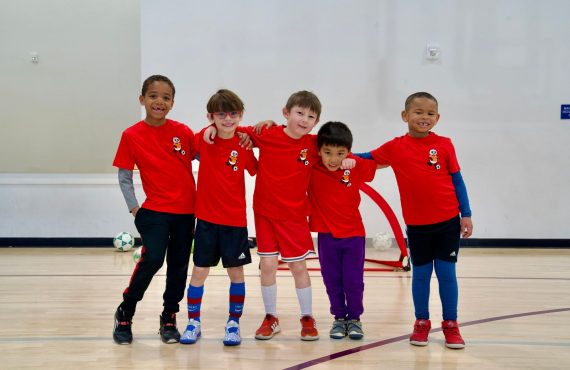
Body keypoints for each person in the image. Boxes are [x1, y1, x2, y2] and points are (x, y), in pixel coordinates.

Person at [355, 92, 473, 349]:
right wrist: (338, 153)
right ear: (405, 116)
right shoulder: (395, 147)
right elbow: (366, 158)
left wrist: (466, 213)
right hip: (418, 226)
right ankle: (422, 322)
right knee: (420, 274)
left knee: (446, 274)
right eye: (418, 112)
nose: (424, 117)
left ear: (437, 118)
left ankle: (451, 324)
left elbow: (457, 180)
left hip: (448, 222)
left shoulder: (444, 145)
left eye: (430, 113)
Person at [204, 90, 322, 341]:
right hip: (265, 214)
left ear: (316, 122)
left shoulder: (314, 145)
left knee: (298, 267)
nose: (304, 119)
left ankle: (307, 317)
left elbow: (340, 150)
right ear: (286, 113)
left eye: (311, 116)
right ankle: (271, 317)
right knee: (267, 265)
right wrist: (209, 129)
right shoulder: (266, 133)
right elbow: (231, 127)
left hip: (294, 217)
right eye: (299, 113)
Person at [112, 75, 197, 345]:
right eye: (153, 96)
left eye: (165, 97)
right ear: (142, 99)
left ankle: (169, 317)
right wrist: (135, 209)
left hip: (186, 213)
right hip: (154, 213)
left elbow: (210, 151)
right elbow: (125, 176)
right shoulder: (131, 135)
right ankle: (125, 312)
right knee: (154, 259)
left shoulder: (182, 132)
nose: (159, 101)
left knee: (179, 266)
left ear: (172, 103)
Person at [179, 89, 257, 347]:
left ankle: (233, 324)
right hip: (206, 221)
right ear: (211, 116)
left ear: (240, 115)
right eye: (221, 114)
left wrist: (249, 135)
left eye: (233, 114)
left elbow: (256, 169)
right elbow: (193, 139)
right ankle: (193, 322)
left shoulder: (244, 145)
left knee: (236, 273)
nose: (227, 119)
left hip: (235, 222)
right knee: (199, 271)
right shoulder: (203, 139)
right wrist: (206, 129)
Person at [308, 121, 377, 340]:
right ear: (319, 151)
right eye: (327, 152)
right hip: (327, 237)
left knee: (353, 280)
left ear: (348, 151)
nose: (333, 158)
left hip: (354, 236)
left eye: (340, 153)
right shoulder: (312, 167)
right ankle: (339, 318)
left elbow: (373, 166)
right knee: (332, 280)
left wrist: (354, 159)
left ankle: (355, 318)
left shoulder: (354, 167)